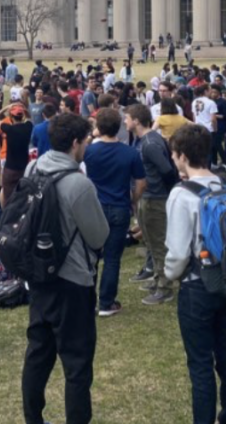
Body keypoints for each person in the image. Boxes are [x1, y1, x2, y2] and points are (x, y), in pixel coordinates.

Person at [21, 113, 109, 424]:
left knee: (38, 355)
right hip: (72, 280)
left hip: (38, 274)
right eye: (86, 141)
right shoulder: (78, 184)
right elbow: (99, 235)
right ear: (75, 143)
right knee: (77, 365)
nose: (87, 146)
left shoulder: (34, 168)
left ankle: (33, 418)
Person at [165, 124, 226, 424]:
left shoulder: (181, 194)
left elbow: (176, 251)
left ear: (182, 156)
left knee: (200, 364)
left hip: (198, 285)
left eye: (174, 155)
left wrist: (171, 275)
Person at [82, 108, 144, 316]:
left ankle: (88, 300)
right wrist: (133, 200)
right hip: (119, 207)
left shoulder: (90, 151)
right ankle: (106, 301)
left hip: (95, 208)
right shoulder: (129, 153)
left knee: (91, 258)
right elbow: (141, 182)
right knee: (112, 258)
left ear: (99, 128)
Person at [127, 104, 178, 304]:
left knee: (158, 245)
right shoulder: (146, 140)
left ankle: (165, 288)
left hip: (155, 198)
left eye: (127, 118)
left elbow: (167, 170)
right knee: (150, 242)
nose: (125, 121)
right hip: (150, 197)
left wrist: (166, 193)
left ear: (137, 120)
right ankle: (157, 279)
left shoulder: (149, 143)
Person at [0, 103, 34, 206]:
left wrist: (6, 107)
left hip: (10, 168)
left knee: (8, 197)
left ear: (11, 116)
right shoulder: (28, 127)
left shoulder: (9, 129)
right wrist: (24, 109)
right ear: (22, 116)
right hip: (24, 168)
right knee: (23, 197)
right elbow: (29, 118)